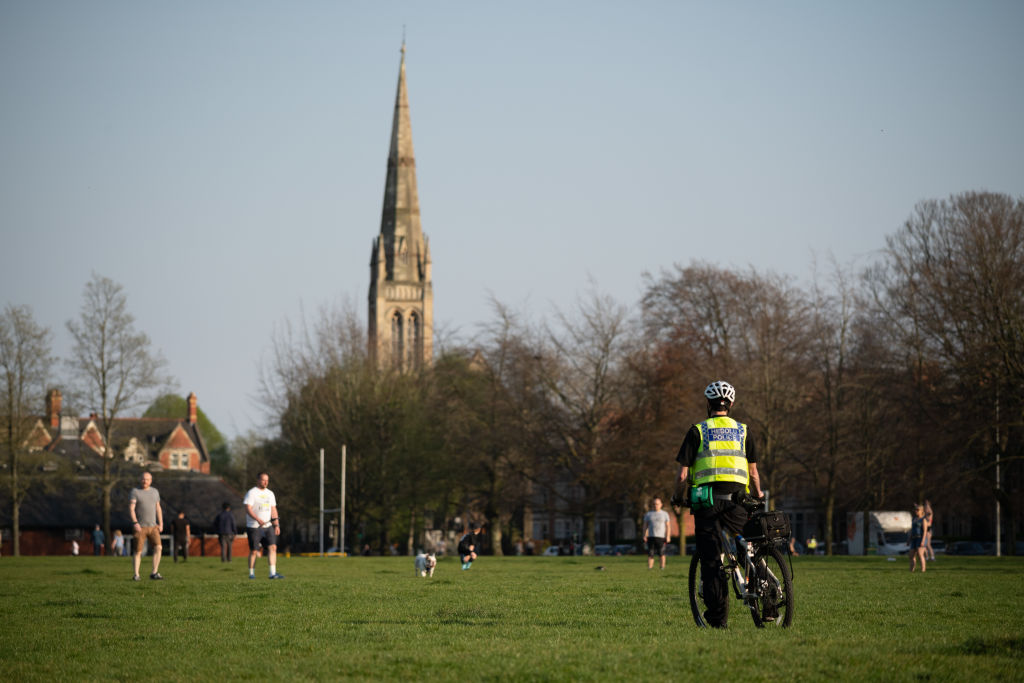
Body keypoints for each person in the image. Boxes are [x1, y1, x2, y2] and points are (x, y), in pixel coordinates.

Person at [671, 380, 764, 628]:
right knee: (747, 546)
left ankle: (717, 621)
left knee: (711, 561)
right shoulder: (744, 431)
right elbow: (753, 473)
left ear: (708, 404)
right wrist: (759, 495)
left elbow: (682, 476)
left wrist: (677, 497)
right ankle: (765, 593)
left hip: (707, 503)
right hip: (737, 501)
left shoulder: (697, 431)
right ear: (731, 404)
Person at [244, 472, 283, 579]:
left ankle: (272, 573)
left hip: (268, 526)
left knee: (273, 547)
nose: (265, 482)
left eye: (267, 480)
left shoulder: (270, 493)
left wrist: (276, 525)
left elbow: (273, 509)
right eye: (263, 480)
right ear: (258, 480)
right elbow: (248, 508)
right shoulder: (252, 493)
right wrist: (257, 519)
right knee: (254, 551)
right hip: (254, 526)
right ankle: (251, 574)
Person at [129, 471, 164, 580]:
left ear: (151, 481)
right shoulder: (135, 491)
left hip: (153, 527)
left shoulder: (155, 492)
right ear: (140, 479)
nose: (145, 481)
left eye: (147, 479)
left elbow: (158, 508)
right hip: (140, 527)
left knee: (158, 547)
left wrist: (161, 523)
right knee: (138, 551)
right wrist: (135, 522)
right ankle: (136, 574)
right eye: (143, 479)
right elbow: (131, 509)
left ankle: (154, 572)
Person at [643, 497, 671, 570]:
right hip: (651, 536)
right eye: (654, 504)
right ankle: (650, 567)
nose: (656, 505)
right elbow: (645, 526)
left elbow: (668, 526)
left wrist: (668, 536)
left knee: (661, 553)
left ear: (661, 504)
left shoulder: (665, 514)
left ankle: (662, 567)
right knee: (650, 553)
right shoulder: (648, 514)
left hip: (661, 537)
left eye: (657, 504)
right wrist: (644, 535)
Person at [909, 504, 929, 573]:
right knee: (911, 555)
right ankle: (911, 570)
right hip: (913, 538)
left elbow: (925, 531)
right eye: (915, 509)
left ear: (922, 511)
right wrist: (909, 539)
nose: (916, 511)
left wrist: (923, 541)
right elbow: (912, 530)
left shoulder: (923, 520)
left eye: (917, 510)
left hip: (920, 538)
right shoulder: (914, 519)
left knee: (920, 555)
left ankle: (923, 570)